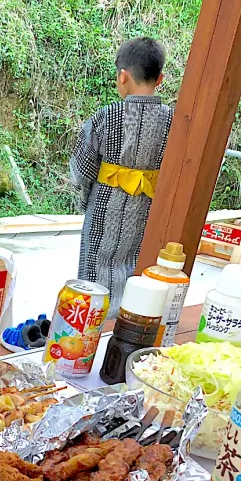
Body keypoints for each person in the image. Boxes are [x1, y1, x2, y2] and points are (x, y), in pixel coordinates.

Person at [70, 37, 173, 317]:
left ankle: (92, 324)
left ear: (123, 76)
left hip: (104, 206)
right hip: (147, 210)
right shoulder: (172, 120)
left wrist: (85, 198)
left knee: (95, 267)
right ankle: (128, 319)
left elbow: (81, 169)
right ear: (160, 78)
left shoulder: (108, 116)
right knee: (137, 266)